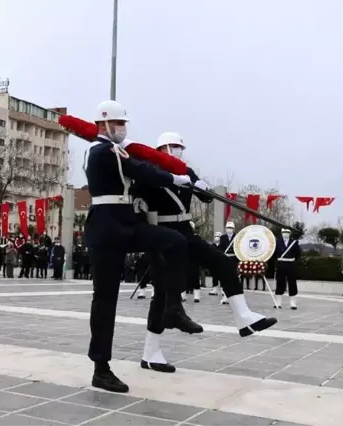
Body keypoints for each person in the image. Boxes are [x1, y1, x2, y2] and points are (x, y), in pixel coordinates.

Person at [83, 100, 206, 393]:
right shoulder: (101, 150)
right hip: (105, 227)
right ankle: (101, 368)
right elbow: (139, 170)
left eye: (125, 124)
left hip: (125, 223)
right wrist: (176, 177)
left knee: (175, 242)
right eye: (120, 123)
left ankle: (172, 308)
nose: (124, 128)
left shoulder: (114, 150)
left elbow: (135, 168)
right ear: (104, 124)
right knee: (105, 299)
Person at [131, 130, 276, 373]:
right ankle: (151, 352)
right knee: (162, 296)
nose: (177, 151)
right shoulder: (149, 172)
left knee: (222, 262)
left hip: (185, 231)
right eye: (172, 147)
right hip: (163, 234)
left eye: (179, 147)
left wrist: (201, 186)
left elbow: (205, 197)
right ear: (160, 150)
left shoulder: (185, 170)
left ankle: (244, 317)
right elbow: (139, 205)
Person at [274, 228, 301, 309]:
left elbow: (298, 254)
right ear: (281, 233)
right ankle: (278, 302)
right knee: (280, 283)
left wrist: (293, 261)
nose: (285, 234)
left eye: (287, 232)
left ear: (290, 233)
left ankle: (293, 303)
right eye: (284, 232)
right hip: (281, 264)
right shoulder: (277, 242)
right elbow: (274, 254)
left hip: (291, 264)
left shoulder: (294, 243)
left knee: (292, 283)